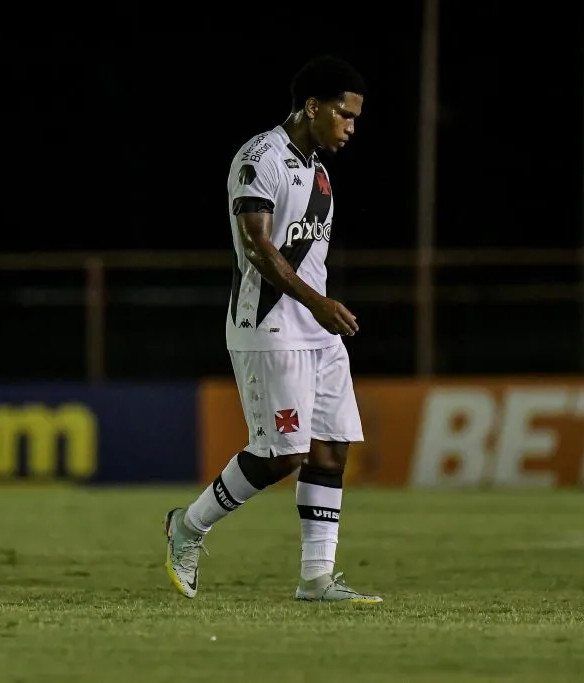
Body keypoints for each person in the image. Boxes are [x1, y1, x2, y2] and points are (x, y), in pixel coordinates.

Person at [164, 55, 382, 603]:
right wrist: (320, 304)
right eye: (344, 114)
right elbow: (259, 250)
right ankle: (188, 525)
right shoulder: (258, 158)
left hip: (317, 332)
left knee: (332, 451)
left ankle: (316, 579)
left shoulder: (320, 173)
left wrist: (321, 312)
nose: (351, 126)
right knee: (283, 455)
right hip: (269, 326)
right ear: (313, 107)